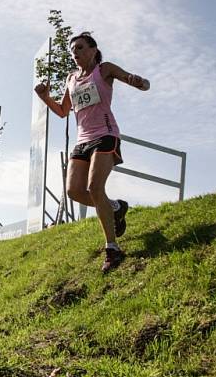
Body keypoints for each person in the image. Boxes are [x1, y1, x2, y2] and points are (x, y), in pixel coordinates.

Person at [34, 32, 149, 272]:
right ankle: (116, 208)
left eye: (81, 48)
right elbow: (63, 111)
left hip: (105, 134)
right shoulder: (71, 78)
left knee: (95, 188)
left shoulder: (104, 69)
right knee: (73, 190)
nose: (76, 53)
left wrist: (138, 81)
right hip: (82, 140)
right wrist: (45, 97)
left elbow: (134, 80)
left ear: (94, 50)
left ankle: (112, 249)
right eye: (73, 50)